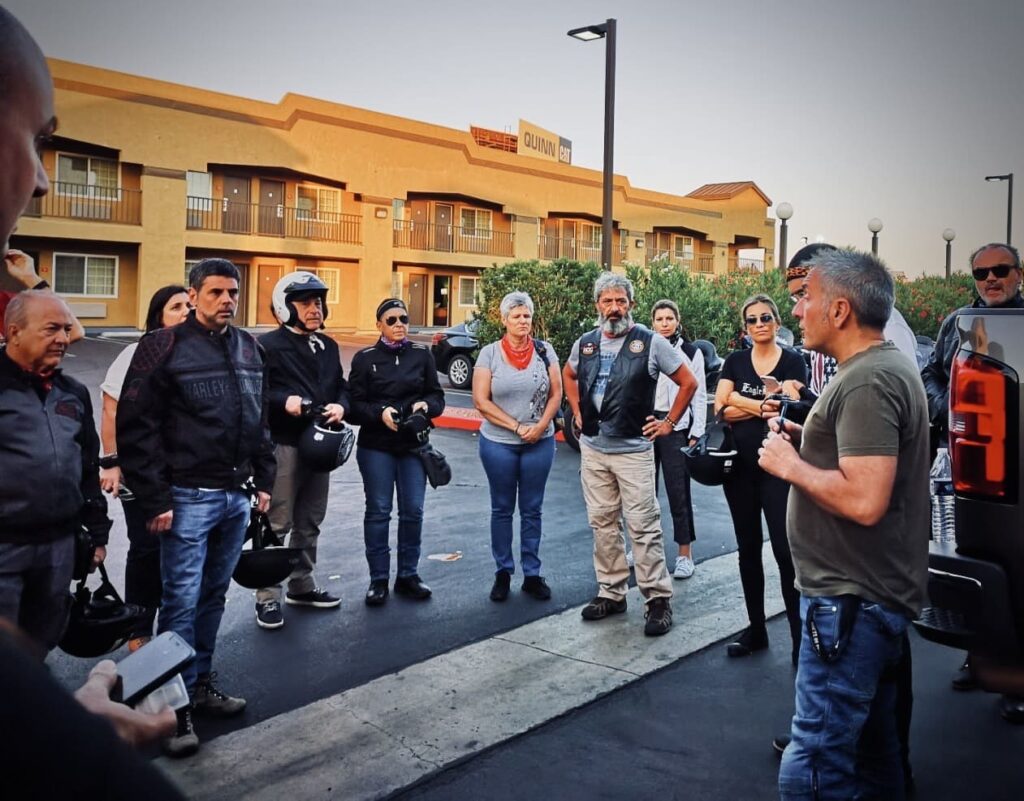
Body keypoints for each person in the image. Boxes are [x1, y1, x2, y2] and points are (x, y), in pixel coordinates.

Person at [759, 247, 929, 800]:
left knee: (815, 765)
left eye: (806, 297)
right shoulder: (878, 369)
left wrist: (791, 466)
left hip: (849, 605)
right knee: (876, 760)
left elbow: (865, 500)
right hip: (867, 602)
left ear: (839, 310)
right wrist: (807, 441)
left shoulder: (867, 382)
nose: (796, 310)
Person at [117, 258, 276, 758]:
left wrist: (263, 479)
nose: (227, 300)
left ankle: (201, 682)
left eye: (232, 292)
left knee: (212, 596)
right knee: (180, 602)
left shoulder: (249, 346)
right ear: (193, 293)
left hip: (235, 493)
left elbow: (259, 414)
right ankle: (174, 705)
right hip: (186, 496)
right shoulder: (161, 347)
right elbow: (135, 426)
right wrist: (155, 498)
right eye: (215, 292)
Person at [920, 241, 1024, 721]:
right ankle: (978, 657)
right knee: (976, 562)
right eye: (981, 273)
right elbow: (930, 376)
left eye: (1000, 270)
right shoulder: (957, 324)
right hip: (972, 471)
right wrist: (952, 410)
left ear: (1018, 274)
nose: (991, 280)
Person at [562, 272, 697, 637]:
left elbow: (689, 381)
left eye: (621, 300)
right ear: (597, 306)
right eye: (607, 301)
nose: (614, 307)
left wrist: (669, 422)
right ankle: (612, 592)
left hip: (634, 451)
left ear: (631, 305)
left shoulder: (651, 342)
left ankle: (657, 600)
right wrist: (576, 410)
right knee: (603, 524)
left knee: (643, 527)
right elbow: (569, 374)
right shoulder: (586, 343)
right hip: (594, 449)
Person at [0, 291, 110, 653]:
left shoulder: (72, 392)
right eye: (51, 329)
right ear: (14, 331)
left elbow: (87, 467)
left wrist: (97, 533)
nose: (63, 338)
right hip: (5, 548)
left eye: (66, 329)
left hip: (59, 548)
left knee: (39, 646)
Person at [253, 271, 350, 630]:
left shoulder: (328, 346)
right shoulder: (267, 346)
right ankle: (267, 597)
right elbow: (257, 394)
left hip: (320, 447)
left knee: (310, 521)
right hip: (284, 446)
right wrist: (285, 401)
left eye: (319, 301)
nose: (315, 308)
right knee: (278, 522)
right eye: (306, 302)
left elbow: (341, 386)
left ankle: (302, 585)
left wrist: (342, 406)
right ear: (285, 306)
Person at [98, 285, 191, 651]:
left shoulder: (198, 353)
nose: (185, 311)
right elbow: (110, 408)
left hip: (183, 471)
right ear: (158, 315)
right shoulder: (136, 354)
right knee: (146, 547)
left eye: (189, 305)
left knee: (181, 549)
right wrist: (111, 462)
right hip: (139, 469)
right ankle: (138, 629)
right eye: (176, 306)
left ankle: (176, 625)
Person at [715, 294, 805, 662]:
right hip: (740, 471)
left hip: (778, 470)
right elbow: (721, 408)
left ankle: (801, 642)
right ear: (745, 328)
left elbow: (788, 404)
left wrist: (741, 400)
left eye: (766, 317)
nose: (760, 324)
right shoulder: (735, 360)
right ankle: (757, 630)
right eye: (752, 320)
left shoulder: (793, 360)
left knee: (786, 554)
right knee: (747, 549)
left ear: (777, 320)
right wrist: (759, 405)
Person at [348, 298, 445, 606]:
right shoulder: (365, 359)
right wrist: (380, 413)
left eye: (403, 318)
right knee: (378, 511)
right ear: (379, 325)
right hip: (376, 447)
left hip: (414, 447)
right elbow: (354, 407)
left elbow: (437, 396)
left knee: (413, 511)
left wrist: (426, 406)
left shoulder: (421, 355)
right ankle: (378, 579)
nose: (399, 324)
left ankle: (408, 575)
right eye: (391, 320)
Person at [472, 291, 562, 602]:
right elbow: (481, 401)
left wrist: (540, 427)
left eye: (526, 315)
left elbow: (556, 393)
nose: (522, 321)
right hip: (499, 443)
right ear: (504, 320)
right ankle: (502, 572)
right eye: (516, 316)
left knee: (532, 509)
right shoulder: (490, 354)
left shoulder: (545, 350)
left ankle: (532, 574)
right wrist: (517, 427)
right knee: (501, 508)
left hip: (540, 442)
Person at [650, 298, 706, 579]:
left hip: (677, 426)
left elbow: (698, 393)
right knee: (642, 494)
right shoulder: (644, 348)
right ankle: (642, 550)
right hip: (648, 425)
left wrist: (697, 432)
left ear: (677, 320)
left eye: (668, 318)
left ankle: (685, 554)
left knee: (678, 492)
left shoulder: (691, 352)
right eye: (659, 319)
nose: (664, 324)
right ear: (652, 323)